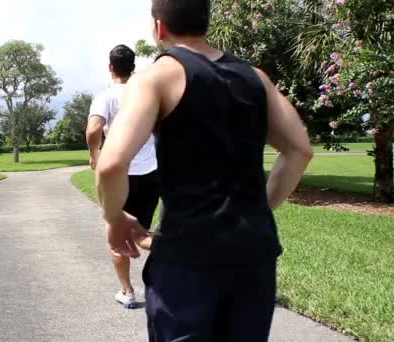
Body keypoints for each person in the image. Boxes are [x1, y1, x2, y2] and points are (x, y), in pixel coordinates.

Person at [94, 0, 314, 340]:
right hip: (253, 256)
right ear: (204, 22)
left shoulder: (156, 78)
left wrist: (114, 219)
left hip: (187, 259)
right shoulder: (255, 78)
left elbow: (110, 164)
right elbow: (299, 150)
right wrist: (261, 206)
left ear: (160, 27)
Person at [86, 44, 159, 309]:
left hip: (120, 175)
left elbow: (93, 129)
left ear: (110, 67)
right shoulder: (147, 94)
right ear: (133, 67)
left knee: (117, 235)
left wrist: (95, 154)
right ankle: (174, 257)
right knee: (140, 232)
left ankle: (127, 292)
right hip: (151, 174)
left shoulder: (106, 96)